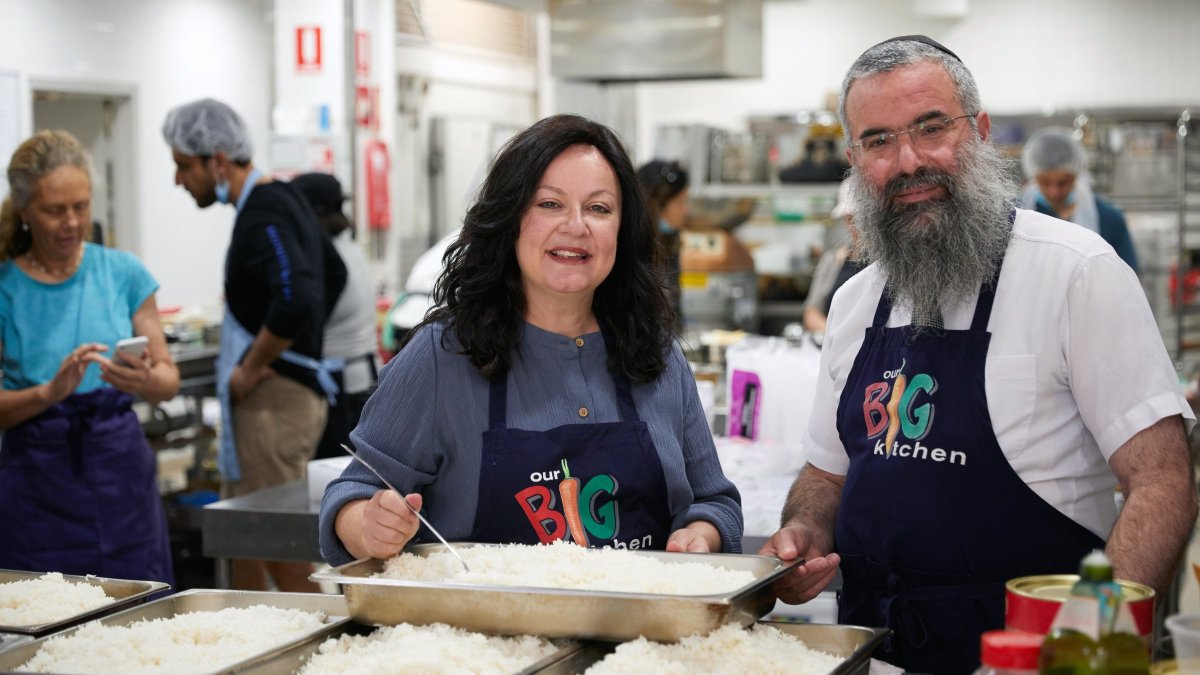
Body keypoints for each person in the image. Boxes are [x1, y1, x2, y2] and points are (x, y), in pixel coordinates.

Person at [760, 36, 1196, 674]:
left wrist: (1093, 645)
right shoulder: (856, 301)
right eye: (878, 141)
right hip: (871, 651)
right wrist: (802, 534)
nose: (908, 161)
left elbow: (1162, 479)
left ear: (982, 132)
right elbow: (826, 476)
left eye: (931, 127)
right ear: (854, 161)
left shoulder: (1076, 274)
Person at [320, 114, 743, 565]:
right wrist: (367, 523)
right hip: (485, 632)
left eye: (599, 208)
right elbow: (353, 491)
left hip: (641, 633)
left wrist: (702, 534)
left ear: (622, 230)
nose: (576, 226)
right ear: (510, 218)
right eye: (549, 204)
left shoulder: (655, 354)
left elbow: (714, 501)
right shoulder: (443, 357)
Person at [162, 98, 346, 592]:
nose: (180, 180)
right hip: (288, 394)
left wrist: (259, 361)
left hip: (274, 401)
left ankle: (322, 652)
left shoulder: (263, 210)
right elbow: (333, 272)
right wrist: (299, 347)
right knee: (251, 542)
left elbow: (296, 298)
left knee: (272, 546)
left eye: (184, 166)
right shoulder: (283, 197)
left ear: (217, 160)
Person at [0, 130, 179, 584]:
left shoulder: (123, 273)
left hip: (119, 474)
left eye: (81, 207)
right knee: (43, 616)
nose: (72, 222)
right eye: (54, 210)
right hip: (37, 479)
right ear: (23, 210)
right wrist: (48, 392)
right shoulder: (7, 288)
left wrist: (141, 380)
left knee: (136, 606)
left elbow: (168, 379)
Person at [291, 172, 379, 460]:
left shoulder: (326, 258)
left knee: (335, 480)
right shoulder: (348, 246)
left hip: (342, 388)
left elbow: (301, 318)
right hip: (361, 378)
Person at [1020, 126, 1140, 273]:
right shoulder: (1016, 215)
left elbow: (1126, 275)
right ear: (1032, 176)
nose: (1054, 191)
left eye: (1063, 182)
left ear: (1077, 174)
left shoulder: (1109, 219)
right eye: (1045, 182)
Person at [802, 180, 864, 335]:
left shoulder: (890, 266)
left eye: (860, 218)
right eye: (849, 218)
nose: (854, 225)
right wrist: (834, 336)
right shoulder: (833, 261)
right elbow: (811, 312)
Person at [636, 159, 689, 321]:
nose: (686, 209)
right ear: (655, 204)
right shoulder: (634, 247)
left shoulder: (671, 240)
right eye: (680, 202)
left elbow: (674, 301)